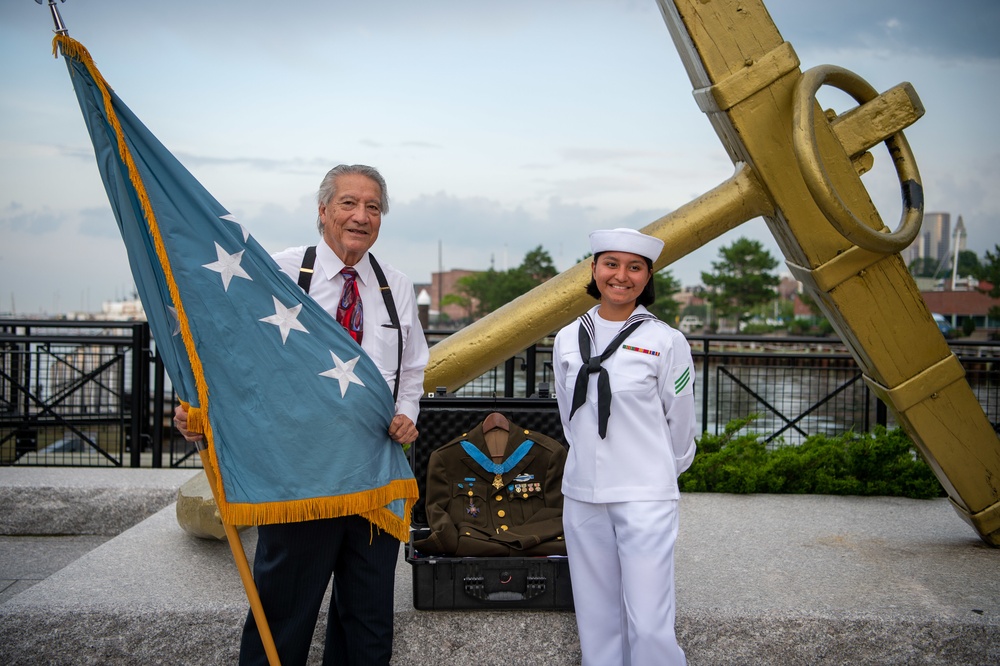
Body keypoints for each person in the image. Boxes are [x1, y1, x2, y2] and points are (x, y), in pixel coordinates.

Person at [174, 164, 429, 666]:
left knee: (368, 623)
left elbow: (413, 364)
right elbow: (231, 350)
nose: (361, 216)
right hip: (301, 476)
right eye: (349, 204)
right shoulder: (279, 271)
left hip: (374, 474)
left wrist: (406, 410)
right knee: (283, 617)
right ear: (323, 211)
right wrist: (200, 413)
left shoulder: (394, 285)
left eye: (373, 207)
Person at [552, 227, 696, 666]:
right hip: (583, 494)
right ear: (594, 270)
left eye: (635, 267)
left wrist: (653, 473)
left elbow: (681, 425)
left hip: (644, 494)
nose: (622, 276)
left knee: (650, 620)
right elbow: (568, 419)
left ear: (647, 277)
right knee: (596, 618)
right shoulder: (566, 339)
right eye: (611, 264)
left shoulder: (665, 341)